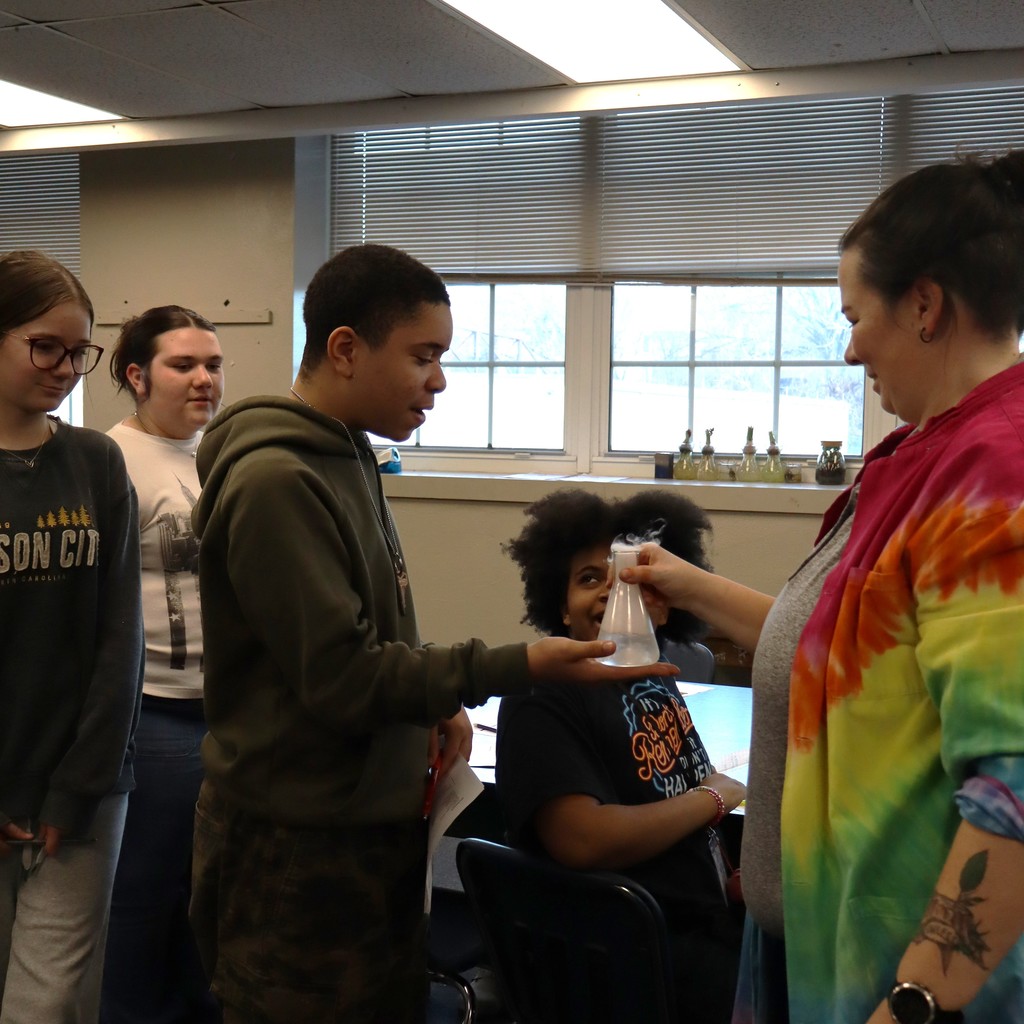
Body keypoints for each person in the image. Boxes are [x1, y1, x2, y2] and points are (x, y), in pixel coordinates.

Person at [188, 242, 675, 1024]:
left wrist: (434, 702)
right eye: (423, 357)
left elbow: (365, 629)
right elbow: (342, 678)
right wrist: (523, 665)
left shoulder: (350, 454)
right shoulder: (277, 479)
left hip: (368, 830)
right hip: (300, 846)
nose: (439, 380)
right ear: (345, 349)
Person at [622, 150, 1024, 1024]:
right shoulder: (917, 455)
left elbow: (1015, 787)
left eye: (854, 315)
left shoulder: (995, 477)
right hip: (813, 945)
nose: (849, 348)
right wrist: (691, 586)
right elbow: (856, 648)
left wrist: (918, 999)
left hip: (902, 979)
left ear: (925, 305)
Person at [497, 487, 746, 1024]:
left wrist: (728, 873)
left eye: (630, 578)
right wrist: (713, 798)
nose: (614, 591)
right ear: (560, 607)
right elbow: (582, 839)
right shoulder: (543, 694)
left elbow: (674, 788)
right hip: (631, 952)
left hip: (700, 915)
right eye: (590, 579)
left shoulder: (653, 677)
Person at [0, 250, 145, 1021]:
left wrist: (77, 788)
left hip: (80, 794)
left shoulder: (95, 462)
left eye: (77, 351)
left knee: (47, 1004)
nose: (64, 368)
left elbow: (120, 640)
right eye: (44, 347)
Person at [101, 306, 224, 1024]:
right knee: (143, 892)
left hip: (226, 705)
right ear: (138, 376)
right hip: (155, 710)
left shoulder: (218, 454)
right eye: (184, 365)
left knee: (208, 886)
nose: (204, 378)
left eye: (213, 364)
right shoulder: (112, 459)